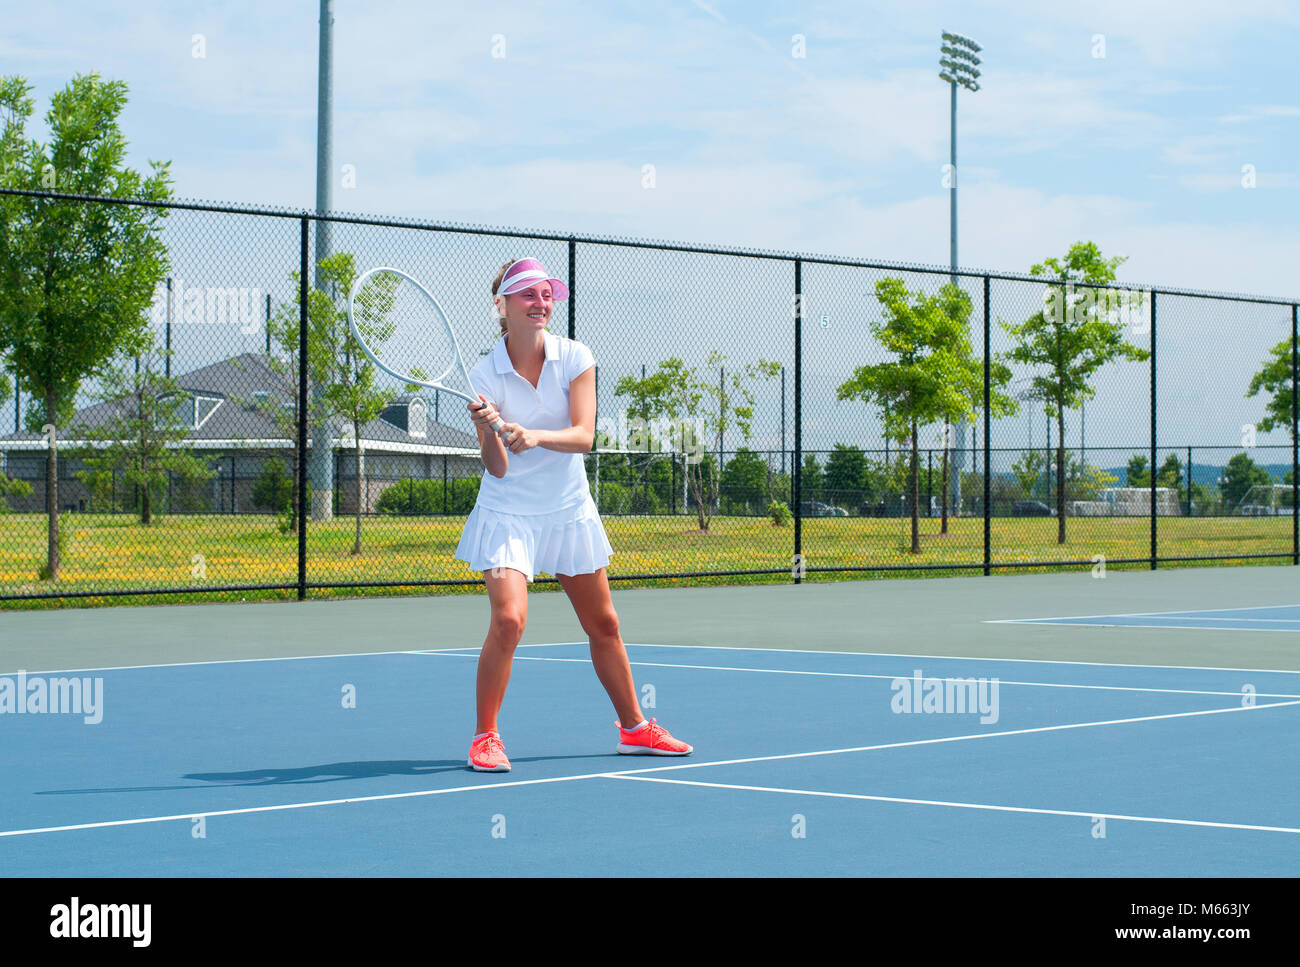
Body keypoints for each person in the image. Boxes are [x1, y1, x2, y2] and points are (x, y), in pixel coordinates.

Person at [454, 257, 693, 772]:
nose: (541, 304)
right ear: (503, 306)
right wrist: (489, 430)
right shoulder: (483, 372)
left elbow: (584, 437)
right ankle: (485, 737)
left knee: (604, 622)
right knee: (509, 620)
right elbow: (496, 470)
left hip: (567, 510)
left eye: (547, 295)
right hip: (508, 514)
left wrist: (533, 434)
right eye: (528, 296)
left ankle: (635, 729)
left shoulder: (575, 357)